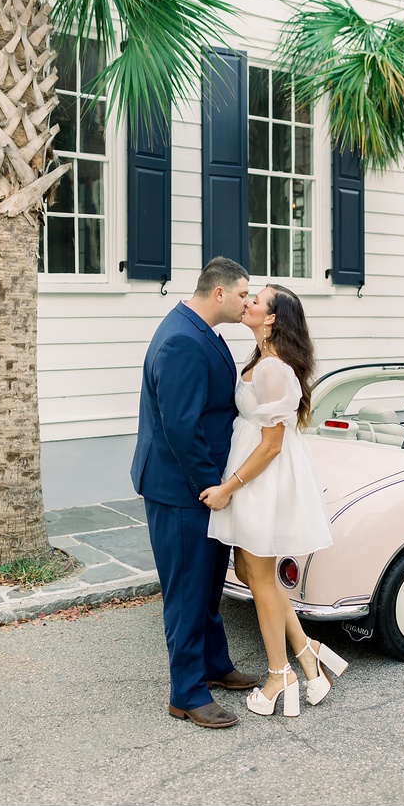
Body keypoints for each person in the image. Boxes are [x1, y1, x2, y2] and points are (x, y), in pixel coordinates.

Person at [201, 284, 349, 717]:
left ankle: (278, 674)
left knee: (260, 576)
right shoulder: (260, 362)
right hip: (254, 475)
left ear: (271, 320)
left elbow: (270, 445)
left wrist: (229, 488)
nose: (246, 302)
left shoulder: (273, 370)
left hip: (260, 480)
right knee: (248, 569)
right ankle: (307, 653)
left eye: (256, 300)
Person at [131, 257, 261, 729]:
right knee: (187, 590)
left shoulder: (200, 329)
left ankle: (214, 664)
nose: (249, 301)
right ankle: (186, 692)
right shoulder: (184, 340)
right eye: (244, 293)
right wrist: (213, 487)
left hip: (202, 487)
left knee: (207, 585)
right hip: (183, 489)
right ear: (220, 293)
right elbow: (181, 428)